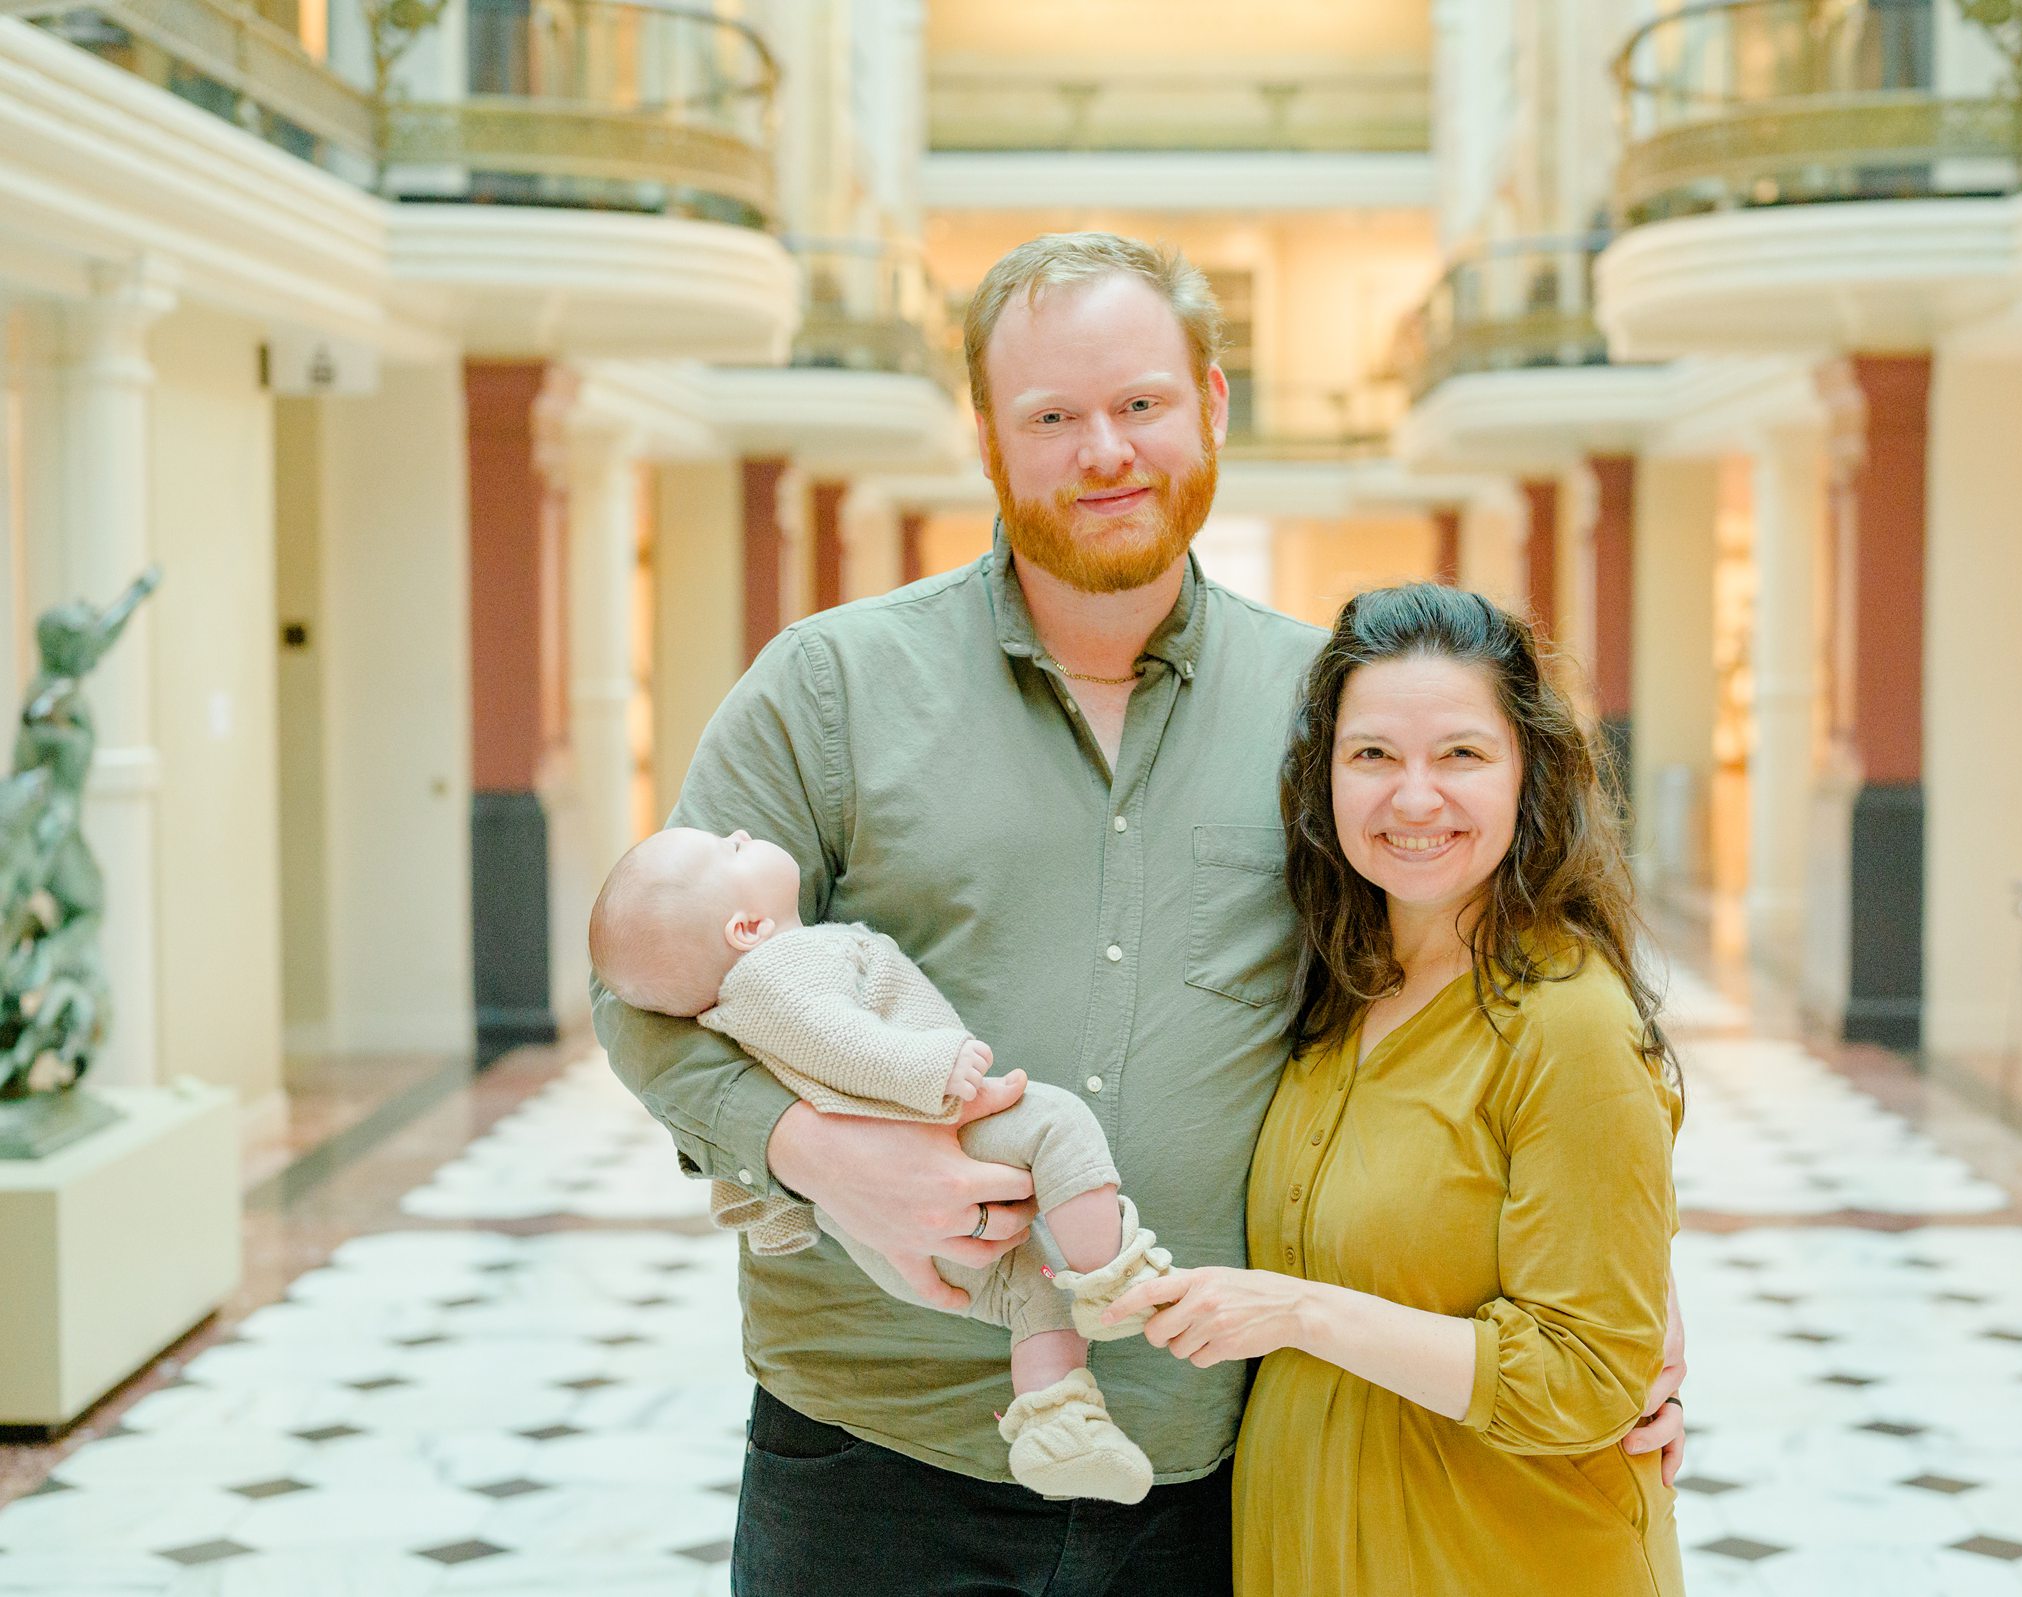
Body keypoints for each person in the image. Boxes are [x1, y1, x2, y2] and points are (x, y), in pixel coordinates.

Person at [591, 231, 1684, 1597]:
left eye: (1141, 405)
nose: (1105, 450)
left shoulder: (1328, 714)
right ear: (989, 435)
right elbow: (642, 996)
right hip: (878, 1455)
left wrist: (1631, 1288)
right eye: (1052, 416)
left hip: (1203, 1461)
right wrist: (808, 1146)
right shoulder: (829, 687)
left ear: (1212, 408)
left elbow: (1476, 992)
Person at [1107, 584, 1687, 1596]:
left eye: (1461, 754)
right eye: (1373, 755)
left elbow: (1590, 1378)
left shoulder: (1567, 1019)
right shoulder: (1337, 984)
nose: (1414, 798)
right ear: (1324, 776)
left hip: (1503, 1559)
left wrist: (1298, 1312)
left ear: (1530, 774)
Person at [586, 823, 1177, 1502]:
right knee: (1060, 1125)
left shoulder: (756, 983)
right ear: (747, 926)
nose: (741, 831)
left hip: (888, 1222)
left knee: (1031, 1281)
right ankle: (1113, 1282)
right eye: (732, 849)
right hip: (928, 1129)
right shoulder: (777, 972)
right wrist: (934, 1065)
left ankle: (1058, 1421)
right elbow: (840, 1041)